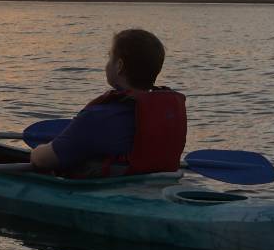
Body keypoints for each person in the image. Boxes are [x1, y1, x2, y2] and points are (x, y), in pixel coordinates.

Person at [29, 28, 185, 177]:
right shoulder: (167, 114)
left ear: (119, 66)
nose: (107, 63)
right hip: (157, 186)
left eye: (109, 57)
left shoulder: (99, 118)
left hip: (109, 193)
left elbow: (42, 160)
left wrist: (38, 150)